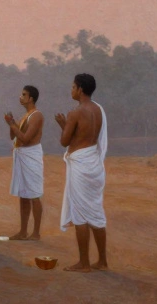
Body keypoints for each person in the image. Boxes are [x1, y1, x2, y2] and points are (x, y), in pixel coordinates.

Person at [56, 73, 107, 273]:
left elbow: (65, 141)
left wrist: (63, 125)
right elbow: (84, 136)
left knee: (80, 214)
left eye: (73, 87)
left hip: (80, 165)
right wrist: (66, 126)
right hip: (93, 163)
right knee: (95, 212)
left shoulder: (75, 113)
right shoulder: (98, 110)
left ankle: (84, 263)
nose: (71, 90)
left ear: (80, 89)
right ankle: (102, 261)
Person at [4, 85, 44, 240]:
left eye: (24, 95)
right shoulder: (25, 115)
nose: (20, 97)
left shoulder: (36, 116)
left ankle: (36, 233)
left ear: (31, 98)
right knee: (24, 195)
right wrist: (12, 122)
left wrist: (12, 125)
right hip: (22, 156)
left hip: (31, 156)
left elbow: (26, 139)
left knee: (34, 194)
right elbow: (13, 136)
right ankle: (23, 231)